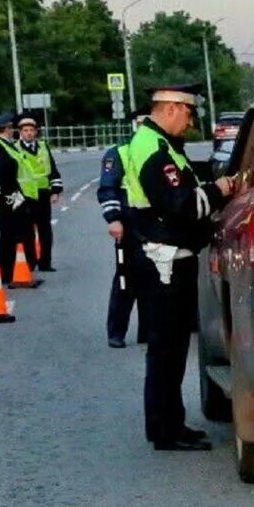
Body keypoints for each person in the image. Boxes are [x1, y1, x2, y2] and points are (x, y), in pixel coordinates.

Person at [124, 84, 241, 451]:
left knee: (171, 348)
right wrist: (221, 189)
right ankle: (164, 429)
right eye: (188, 114)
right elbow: (184, 205)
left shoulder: (158, 145)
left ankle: (170, 422)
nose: (190, 123)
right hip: (165, 261)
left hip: (167, 256)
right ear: (172, 108)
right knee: (167, 348)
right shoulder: (155, 150)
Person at [97, 114, 148, 348]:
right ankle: (116, 331)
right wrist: (113, 219)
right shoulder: (119, 152)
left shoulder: (161, 149)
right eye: (141, 122)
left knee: (156, 277)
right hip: (129, 221)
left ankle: (148, 332)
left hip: (155, 223)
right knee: (126, 278)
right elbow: (108, 188)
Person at [0, 111, 37, 286]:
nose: (13, 130)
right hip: (4, 198)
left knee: (24, 229)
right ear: (4, 129)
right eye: (11, 127)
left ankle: (22, 268)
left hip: (14, 196)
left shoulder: (6, 145)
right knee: (9, 234)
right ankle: (7, 272)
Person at [16, 111, 63, 271]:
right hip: (24, 196)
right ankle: (29, 262)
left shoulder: (43, 147)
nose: (29, 133)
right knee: (25, 231)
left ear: (36, 132)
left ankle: (45, 262)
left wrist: (56, 190)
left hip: (43, 194)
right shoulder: (15, 149)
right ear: (20, 133)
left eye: (31, 130)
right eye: (25, 131)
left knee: (45, 230)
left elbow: (53, 170)